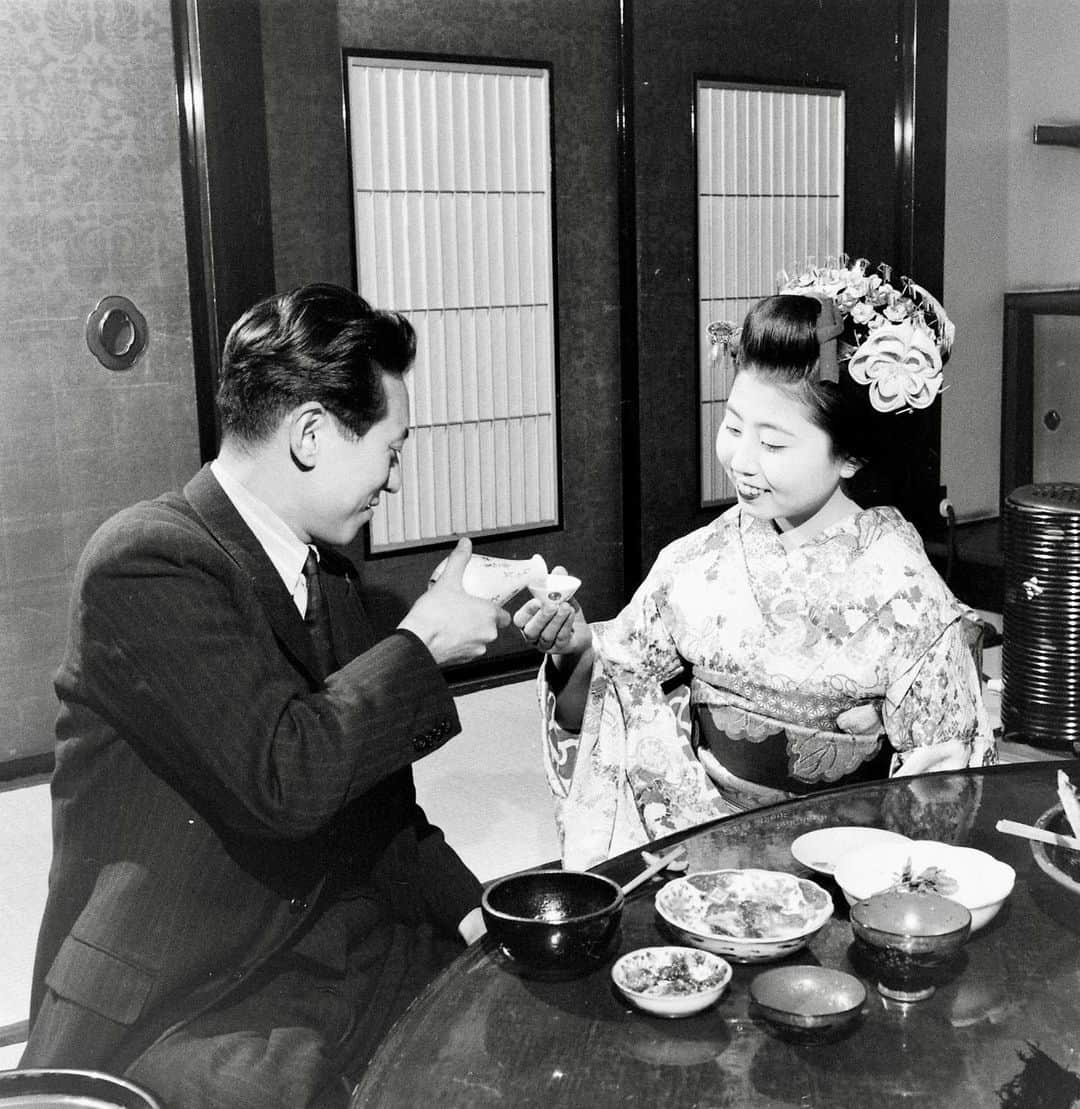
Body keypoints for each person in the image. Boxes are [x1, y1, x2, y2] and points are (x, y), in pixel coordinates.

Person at [21, 283, 509, 1108]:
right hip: (189, 989)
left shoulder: (332, 578)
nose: (394, 477)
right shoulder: (147, 560)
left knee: (506, 1033)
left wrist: (479, 916)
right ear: (312, 434)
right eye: (391, 448)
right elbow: (286, 776)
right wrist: (421, 643)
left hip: (326, 948)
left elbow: (383, 816)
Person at [516, 289, 996, 869]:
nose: (741, 459)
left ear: (850, 456)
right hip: (701, 841)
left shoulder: (904, 587)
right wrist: (576, 651)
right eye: (733, 426)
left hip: (848, 858)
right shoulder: (699, 558)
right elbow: (611, 685)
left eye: (772, 443)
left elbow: (942, 776)